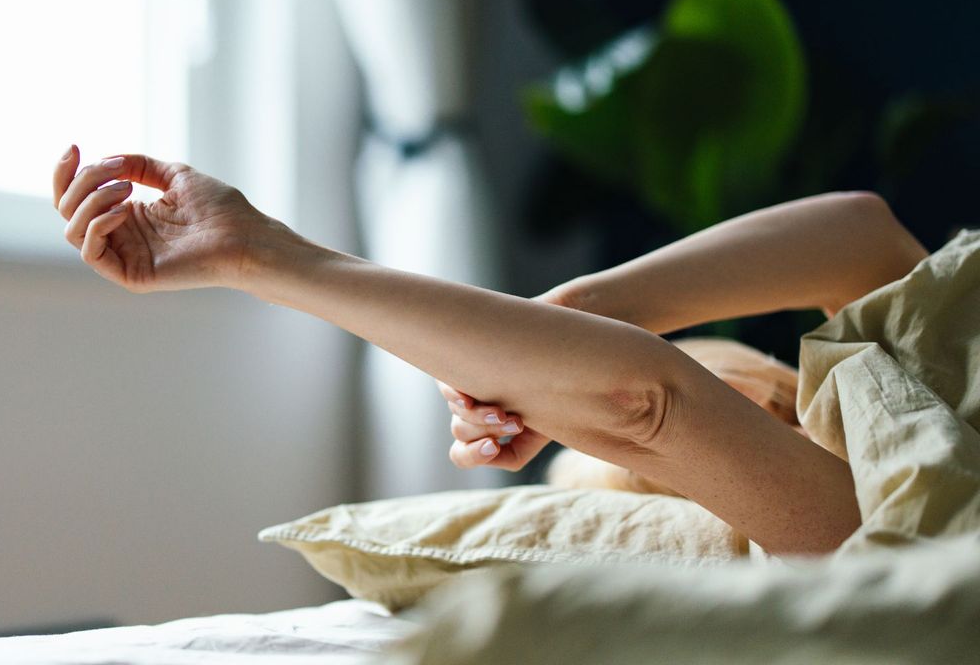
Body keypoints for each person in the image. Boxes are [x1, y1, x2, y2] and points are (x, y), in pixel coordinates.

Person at [51, 146, 927, 555]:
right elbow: (645, 403)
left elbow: (863, 234)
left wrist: (566, 317)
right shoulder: (891, 530)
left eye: (761, 392)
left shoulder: (918, 379)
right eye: (757, 411)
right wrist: (262, 257)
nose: (767, 409)